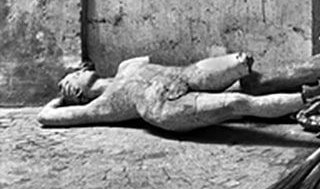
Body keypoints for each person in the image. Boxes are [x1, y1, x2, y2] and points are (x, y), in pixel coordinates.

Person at [36, 52, 305, 132]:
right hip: (165, 107)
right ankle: (308, 98)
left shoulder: (127, 66)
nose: (74, 75)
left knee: (240, 63)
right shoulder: (100, 107)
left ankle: (313, 81)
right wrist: (61, 98)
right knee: (238, 102)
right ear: (78, 95)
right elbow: (45, 117)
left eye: (73, 74)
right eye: (70, 82)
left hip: (184, 73)